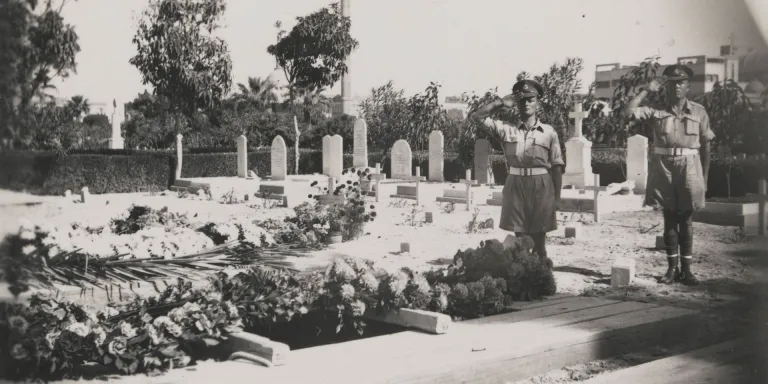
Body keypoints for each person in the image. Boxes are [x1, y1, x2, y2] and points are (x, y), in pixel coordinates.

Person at [623, 64, 715, 286]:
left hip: (690, 167)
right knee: (669, 217)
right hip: (664, 167)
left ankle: (688, 270)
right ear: (667, 87)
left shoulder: (699, 111)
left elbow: (706, 147)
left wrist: (705, 178)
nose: (676, 87)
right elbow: (627, 112)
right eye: (672, 83)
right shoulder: (656, 111)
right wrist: (647, 90)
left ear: (687, 86)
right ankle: (672, 269)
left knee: (686, 218)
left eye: (681, 83)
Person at [469, 79, 564, 263]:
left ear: (538, 102)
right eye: (522, 100)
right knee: (520, 241)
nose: (526, 103)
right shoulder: (507, 130)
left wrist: (557, 197)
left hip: (541, 187)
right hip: (516, 185)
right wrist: (499, 103)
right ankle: (523, 279)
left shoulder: (549, 132)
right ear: (516, 104)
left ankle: (542, 280)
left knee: (539, 242)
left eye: (531, 99)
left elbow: (557, 165)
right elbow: (477, 117)